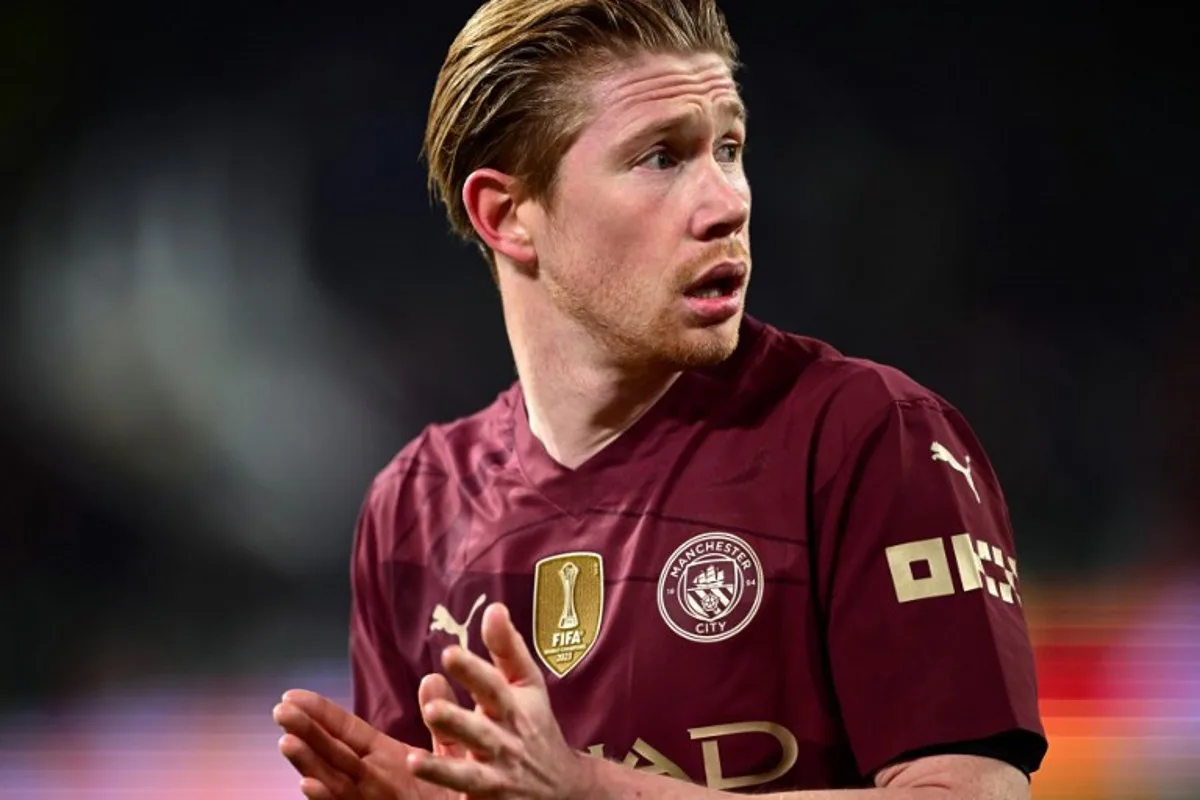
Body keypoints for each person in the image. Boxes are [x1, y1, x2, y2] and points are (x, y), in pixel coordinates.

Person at [272, 0, 1048, 797]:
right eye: (662, 157)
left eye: (730, 147)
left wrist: (589, 790)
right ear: (505, 215)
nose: (729, 203)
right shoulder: (415, 507)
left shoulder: (867, 437)